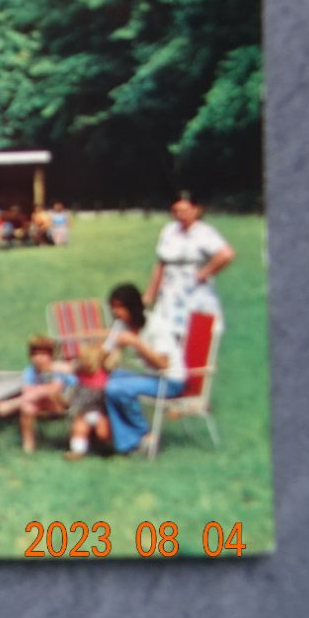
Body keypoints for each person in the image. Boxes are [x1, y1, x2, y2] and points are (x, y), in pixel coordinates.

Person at [102, 282, 187, 455]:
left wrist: (136, 343)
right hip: (147, 377)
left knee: (115, 388)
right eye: (113, 307)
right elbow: (104, 352)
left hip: (169, 380)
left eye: (120, 307)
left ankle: (143, 433)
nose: (115, 312)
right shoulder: (121, 325)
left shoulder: (156, 325)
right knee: (105, 381)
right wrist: (80, 363)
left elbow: (163, 365)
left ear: (132, 307)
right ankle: (125, 443)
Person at [146, 194, 235, 334]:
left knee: (196, 332)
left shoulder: (204, 232)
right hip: (170, 290)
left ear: (196, 210)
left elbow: (226, 254)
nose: (180, 215)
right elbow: (161, 263)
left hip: (194, 290)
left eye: (185, 211)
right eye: (176, 211)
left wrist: (205, 272)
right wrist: (151, 292)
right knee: (166, 332)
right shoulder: (169, 230)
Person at [0, 333, 76, 453]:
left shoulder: (55, 368)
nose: (39, 358)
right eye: (35, 354)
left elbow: (55, 389)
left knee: (48, 391)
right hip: (44, 402)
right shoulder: (30, 371)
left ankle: (12, 404)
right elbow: (27, 391)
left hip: (67, 403)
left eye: (43, 354)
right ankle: (28, 446)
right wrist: (38, 393)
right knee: (27, 407)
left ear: (51, 356)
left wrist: (38, 391)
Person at [63, 342, 111, 460]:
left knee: (103, 433)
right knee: (79, 429)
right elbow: (66, 368)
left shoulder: (104, 374)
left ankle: (108, 448)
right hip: (83, 412)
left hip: (101, 412)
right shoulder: (80, 374)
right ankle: (77, 452)